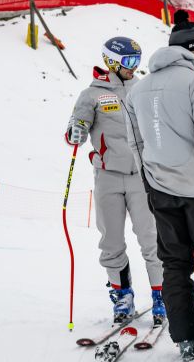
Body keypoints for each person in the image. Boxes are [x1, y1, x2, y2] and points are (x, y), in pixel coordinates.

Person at [123, 10, 194, 362]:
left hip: (160, 188)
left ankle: (185, 340)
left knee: (174, 263)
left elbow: (136, 142)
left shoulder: (138, 90)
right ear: (191, 48)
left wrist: (148, 179)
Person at [65, 37, 164, 325]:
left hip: (141, 177)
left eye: (138, 60)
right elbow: (76, 125)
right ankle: (123, 296)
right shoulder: (92, 95)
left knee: (151, 239)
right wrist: (75, 131)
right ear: (112, 61)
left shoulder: (143, 89)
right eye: (129, 61)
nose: (134, 67)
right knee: (111, 242)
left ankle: (161, 296)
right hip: (108, 177)